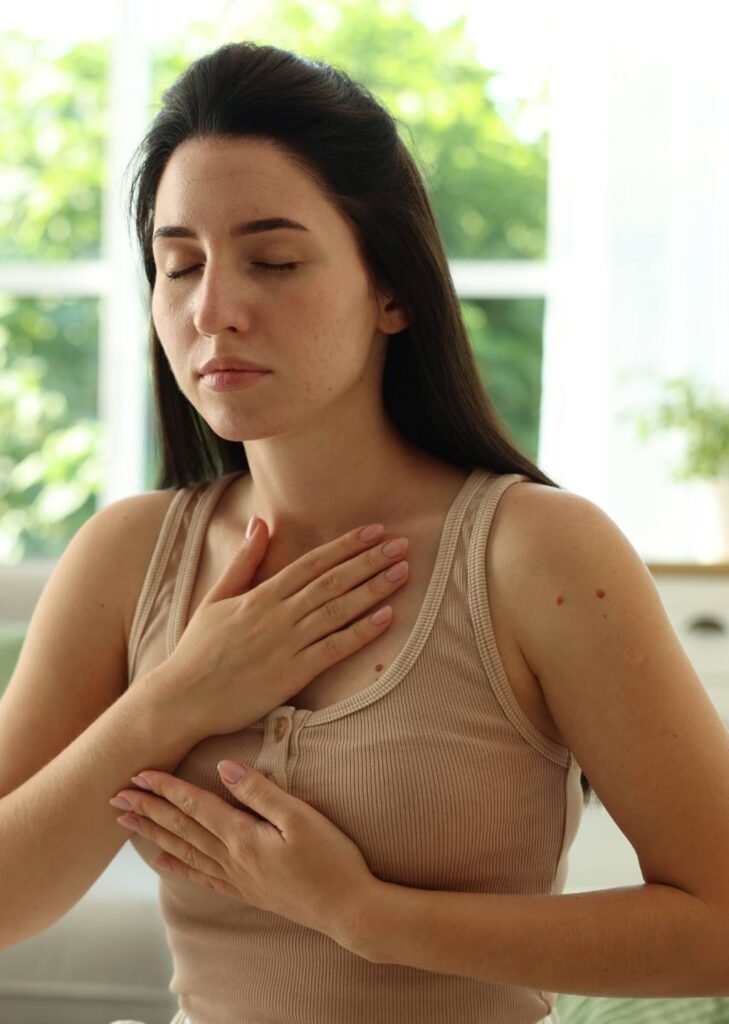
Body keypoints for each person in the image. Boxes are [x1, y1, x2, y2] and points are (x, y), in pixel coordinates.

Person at [3, 38, 594, 1024]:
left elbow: (715, 918)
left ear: (393, 291)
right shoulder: (127, 556)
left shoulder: (537, 553)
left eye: (272, 260)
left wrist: (369, 917)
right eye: (178, 264)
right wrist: (178, 697)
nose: (213, 311)